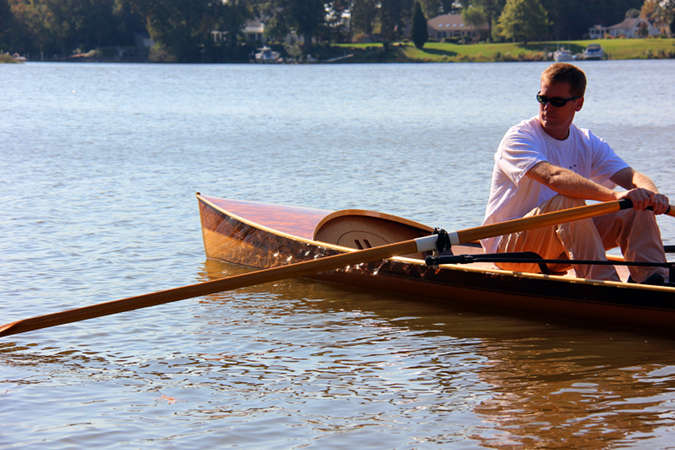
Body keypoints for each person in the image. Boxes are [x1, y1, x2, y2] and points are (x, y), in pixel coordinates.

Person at [481, 62, 670, 284]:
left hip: (561, 246)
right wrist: (614, 196)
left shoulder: (587, 142)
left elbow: (632, 176)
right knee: (567, 202)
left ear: (578, 104)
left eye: (557, 102)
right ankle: (605, 284)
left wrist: (652, 195)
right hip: (512, 251)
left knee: (637, 207)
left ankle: (655, 279)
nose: (547, 108)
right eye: (542, 99)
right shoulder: (519, 137)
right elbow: (553, 177)